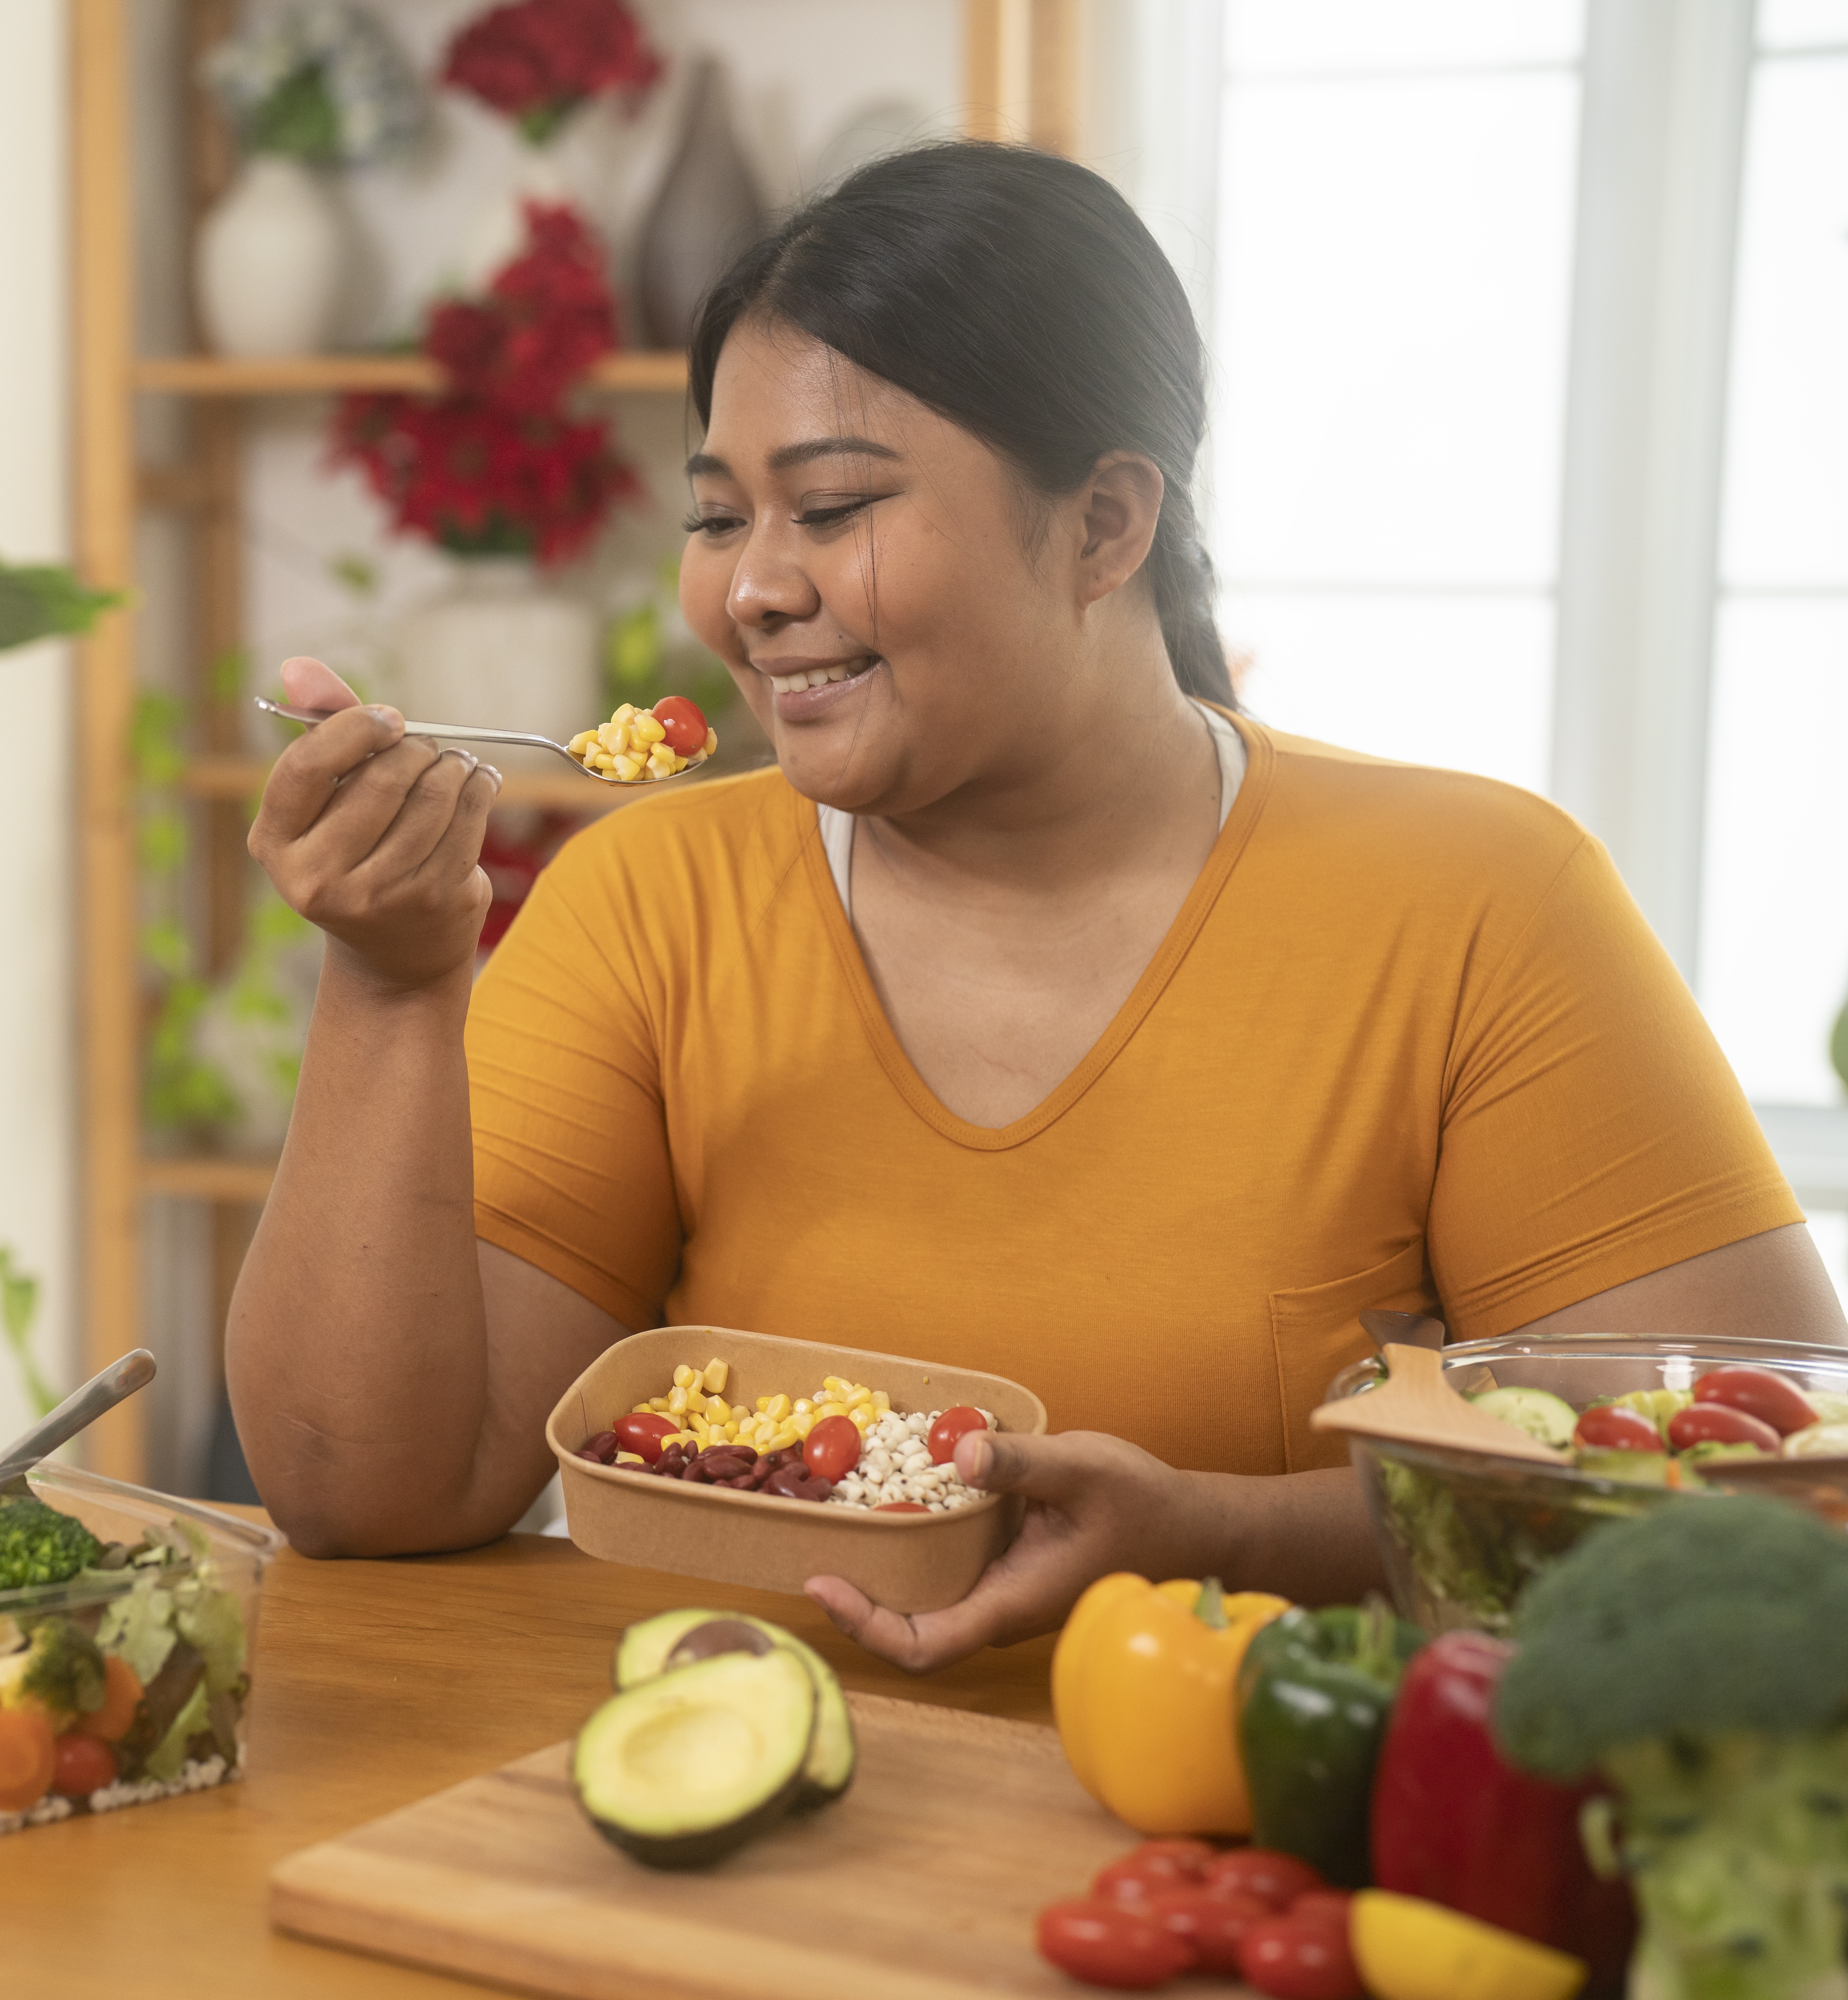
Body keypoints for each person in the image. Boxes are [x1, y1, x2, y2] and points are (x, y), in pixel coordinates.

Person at [229, 142, 1844, 1673]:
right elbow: (365, 1490)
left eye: (834, 507)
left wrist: (1233, 1534)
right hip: (721, 1796)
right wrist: (391, 981)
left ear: (1104, 523)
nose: (753, 588)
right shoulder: (650, 901)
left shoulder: (1476, 903)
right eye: (718, 516)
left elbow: (1770, 1510)